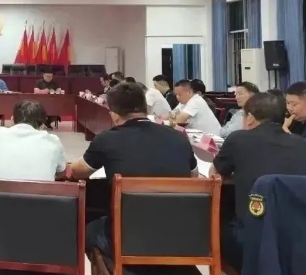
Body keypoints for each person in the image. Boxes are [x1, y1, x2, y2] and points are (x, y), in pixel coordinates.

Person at [70, 83, 198, 275]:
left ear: (114, 115)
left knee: (87, 229)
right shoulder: (178, 137)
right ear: (145, 109)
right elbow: (193, 178)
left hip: (129, 237)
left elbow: (78, 172)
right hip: (181, 236)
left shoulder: (107, 139)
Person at [211, 93, 306, 272]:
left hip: (252, 240)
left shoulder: (238, 139)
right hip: (298, 241)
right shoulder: (302, 144)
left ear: (250, 118)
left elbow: (214, 175)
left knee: (217, 219)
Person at [0, 99, 66, 181]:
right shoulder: (53, 141)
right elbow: (61, 173)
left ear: (12, 120)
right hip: (40, 190)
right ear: (42, 126)